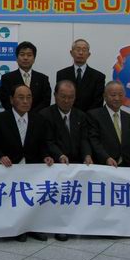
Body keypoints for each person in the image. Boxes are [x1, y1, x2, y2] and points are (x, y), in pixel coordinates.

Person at [0, 84, 54, 242]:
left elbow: (43, 145)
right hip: (10, 168)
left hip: (32, 169)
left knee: (32, 199)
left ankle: (33, 227)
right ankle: (17, 229)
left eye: (29, 97)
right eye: (21, 97)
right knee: (14, 200)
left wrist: (46, 156)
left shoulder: (39, 120)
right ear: (11, 100)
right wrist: (1, 156)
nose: (25, 101)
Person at [39, 80, 93, 242]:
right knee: (57, 199)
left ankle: (74, 225)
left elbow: (84, 139)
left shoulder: (81, 115)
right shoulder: (45, 115)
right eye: (63, 96)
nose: (67, 100)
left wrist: (87, 155)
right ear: (55, 96)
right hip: (54, 164)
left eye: (71, 97)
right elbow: (47, 141)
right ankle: (58, 227)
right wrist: (59, 155)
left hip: (75, 164)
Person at [88, 81, 130, 169]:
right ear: (104, 96)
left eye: (120, 95)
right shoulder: (94, 116)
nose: (117, 98)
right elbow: (94, 142)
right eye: (113, 95)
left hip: (129, 167)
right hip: (105, 167)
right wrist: (106, 158)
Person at [0, 41, 51, 113]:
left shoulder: (43, 79)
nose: (25, 58)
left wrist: (31, 115)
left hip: (37, 117)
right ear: (17, 58)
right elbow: (5, 101)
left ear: (34, 59)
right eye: (22, 54)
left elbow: (46, 101)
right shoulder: (7, 78)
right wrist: (19, 115)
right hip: (14, 117)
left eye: (29, 55)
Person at [56, 39, 105, 112]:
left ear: (89, 54)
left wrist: (84, 117)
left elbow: (98, 102)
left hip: (89, 117)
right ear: (71, 53)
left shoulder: (98, 77)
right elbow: (60, 98)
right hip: (67, 115)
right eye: (78, 49)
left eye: (84, 50)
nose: (81, 53)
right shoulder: (62, 74)